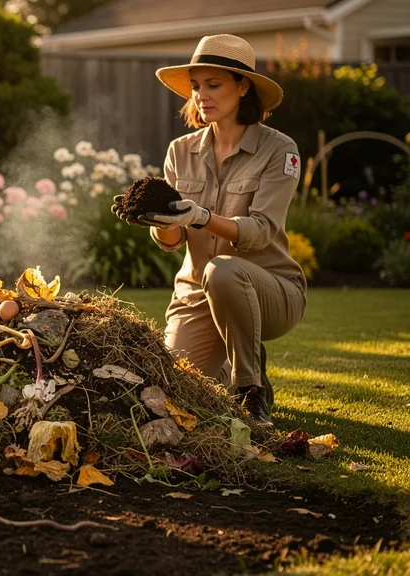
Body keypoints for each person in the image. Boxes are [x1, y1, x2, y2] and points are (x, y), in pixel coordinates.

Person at [112, 34, 307, 426]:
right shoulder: (180, 151)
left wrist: (200, 216)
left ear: (243, 86)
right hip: (196, 295)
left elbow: (261, 231)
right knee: (175, 389)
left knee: (223, 270)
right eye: (196, 86)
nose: (201, 95)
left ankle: (249, 389)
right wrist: (158, 222)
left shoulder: (280, 150)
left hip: (270, 290)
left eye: (213, 85)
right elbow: (173, 242)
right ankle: (238, 357)